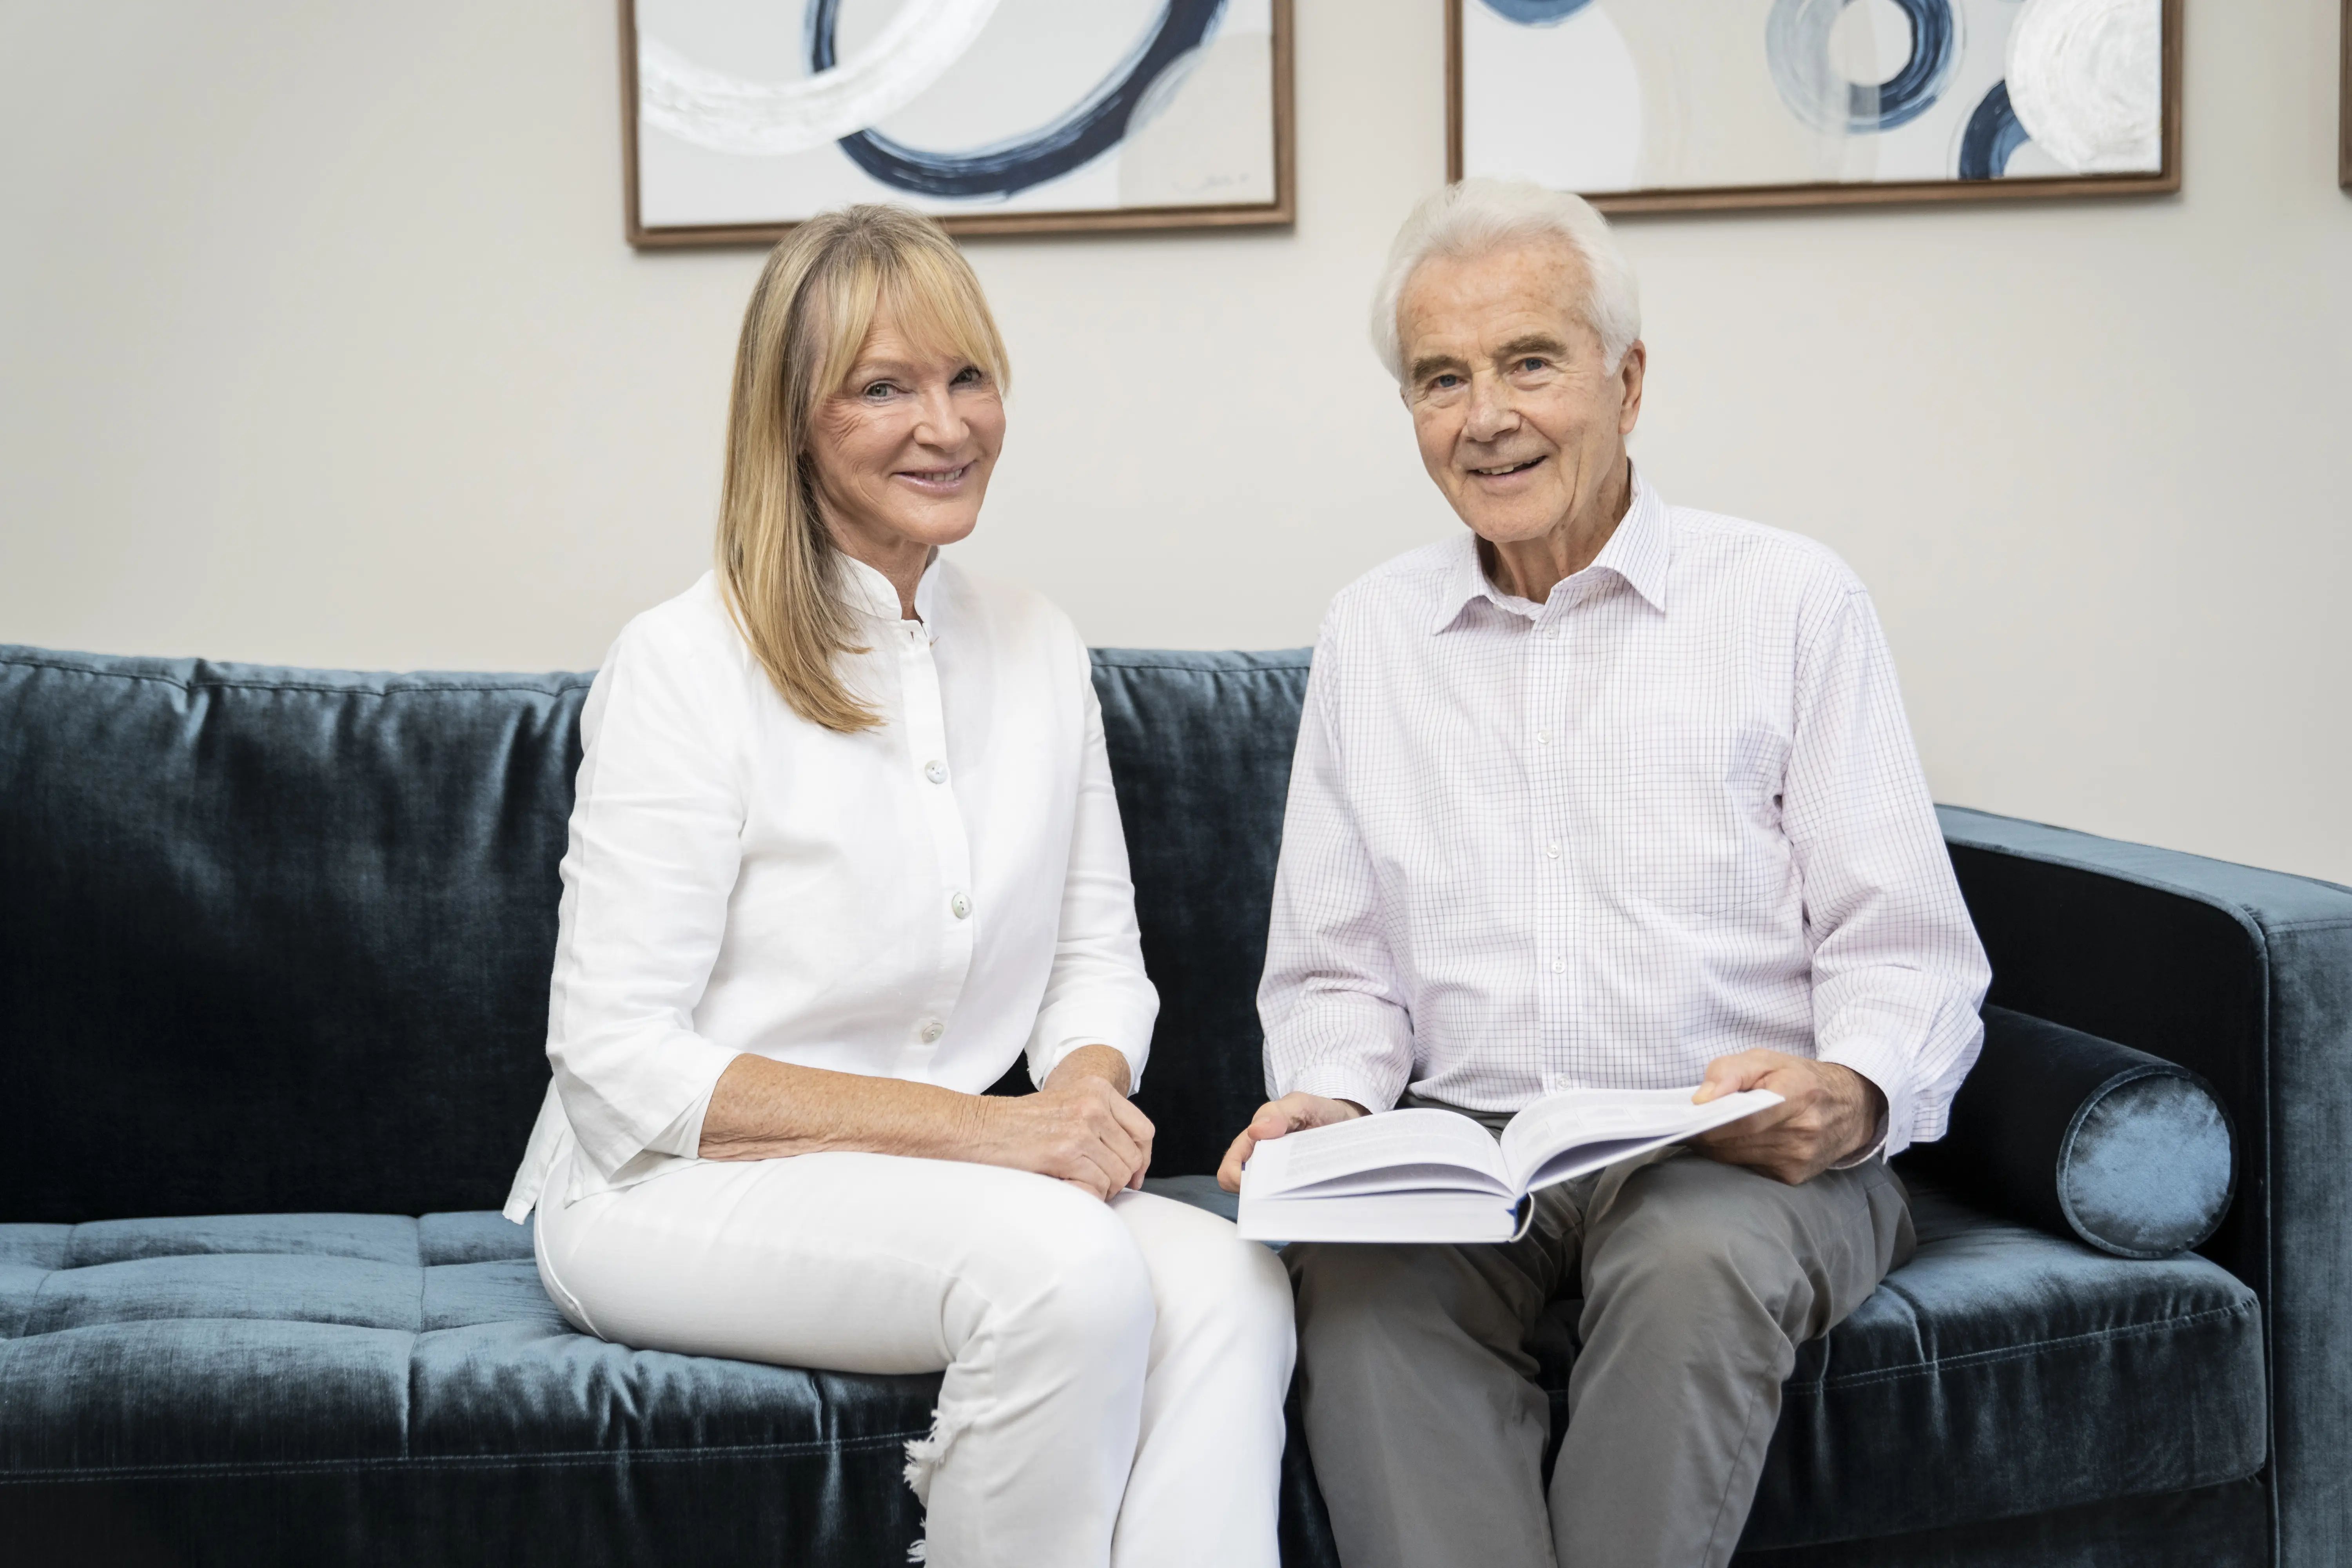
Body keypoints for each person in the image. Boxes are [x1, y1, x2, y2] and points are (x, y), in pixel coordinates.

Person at [501, 204, 1294, 1568]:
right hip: (657, 1190)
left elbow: (1095, 961)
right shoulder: (686, 663)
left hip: (944, 1182)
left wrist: (1080, 1097)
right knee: (1064, 1276)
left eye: (968, 376)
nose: (946, 425)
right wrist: (997, 1136)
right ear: (793, 422)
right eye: (883, 388)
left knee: (1231, 1280)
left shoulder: (1038, 645)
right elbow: (614, 1060)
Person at [1218, 178, 1993, 1568]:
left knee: (1692, 1265)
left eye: (1530, 363)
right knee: (1361, 1300)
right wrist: (1330, 1099)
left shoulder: (1791, 600)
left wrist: (1854, 1090)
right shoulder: (1373, 633)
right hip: (1467, 1154)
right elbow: (1338, 965)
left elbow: (1903, 946)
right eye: (1441, 379)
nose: (1485, 417)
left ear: (1627, 383)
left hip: (1731, 1150)